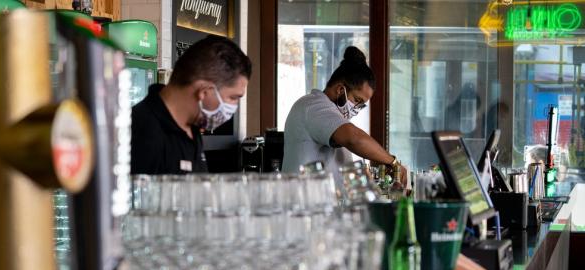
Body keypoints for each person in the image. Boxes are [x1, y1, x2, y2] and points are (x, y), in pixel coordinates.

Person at [282, 46, 407, 184]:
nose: (356, 109)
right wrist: (393, 162)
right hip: (305, 202)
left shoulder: (335, 117)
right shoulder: (313, 106)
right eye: (357, 100)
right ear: (340, 90)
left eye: (361, 105)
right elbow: (354, 139)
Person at [131, 35, 252, 174]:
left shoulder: (193, 126)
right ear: (204, 91)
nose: (234, 106)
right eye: (233, 97)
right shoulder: (140, 133)